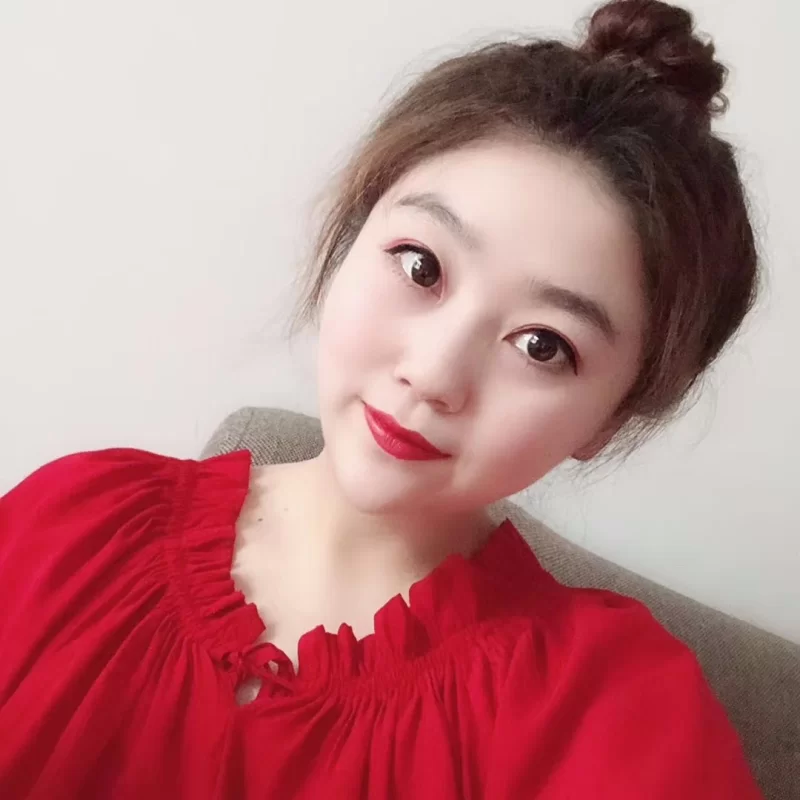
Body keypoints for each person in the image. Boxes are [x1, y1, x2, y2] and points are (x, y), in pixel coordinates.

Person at [0, 0, 766, 797]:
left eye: (543, 345)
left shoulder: (612, 712)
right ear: (350, 238)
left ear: (609, 420)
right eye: (420, 266)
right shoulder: (73, 526)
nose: (433, 375)